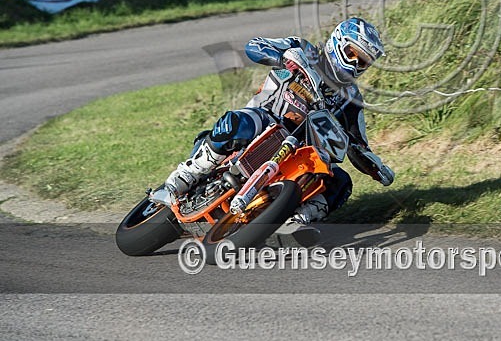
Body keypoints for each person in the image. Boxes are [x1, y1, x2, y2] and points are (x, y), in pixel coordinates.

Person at [149, 18, 395, 246]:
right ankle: (184, 177)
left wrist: (376, 167)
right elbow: (254, 46)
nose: (355, 64)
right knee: (235, 123)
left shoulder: (352, 99)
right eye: (352, 54)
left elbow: (358, 143)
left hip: (302, 152)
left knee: (340, 181)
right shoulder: (304, 50)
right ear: (337, 43)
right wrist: (282, 58)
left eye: (363, 61)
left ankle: (294, 222)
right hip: (266, 118)